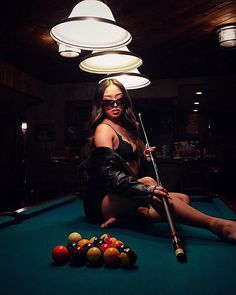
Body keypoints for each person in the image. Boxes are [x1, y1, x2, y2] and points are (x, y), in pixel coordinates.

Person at [83, 78, 236, 243]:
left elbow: (133, 171)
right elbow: (109, 175)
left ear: (126, 101)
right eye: (108, 102)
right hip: (102, 201)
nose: (115, 105)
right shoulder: (104, 129)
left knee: (183, 198)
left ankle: (126, 218)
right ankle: (217, 226)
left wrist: (145, 159)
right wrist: (145, 189)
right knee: (150, 184)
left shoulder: (128, 129)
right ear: (100, 103)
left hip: (127, 193)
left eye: (119, 100)